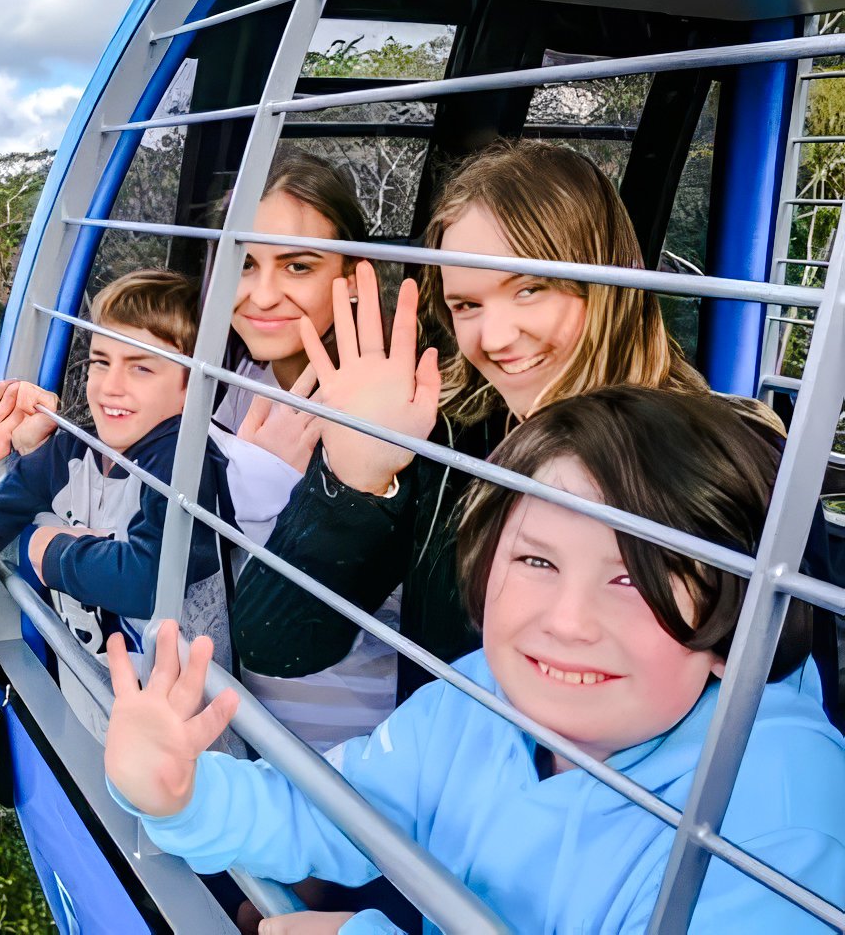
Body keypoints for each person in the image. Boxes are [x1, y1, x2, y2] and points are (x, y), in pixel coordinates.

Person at [107, 388, 845, 933]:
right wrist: (183, 792)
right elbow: (343, 811)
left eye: (631, 578)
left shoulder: (779, 816)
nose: (566, 622)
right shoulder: (480, 699)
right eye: (535, 560)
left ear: (734, 613)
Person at [231, 141, 728, 697]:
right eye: (467, 305)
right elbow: (274, 641)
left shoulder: (722, 456)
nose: (494, 339)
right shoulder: (448, 439)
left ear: (608, 278)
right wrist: (354, 482)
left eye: (530, 289)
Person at [0, 268, 233, 733]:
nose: (110, 386)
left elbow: (145, 581)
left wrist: (47, 550)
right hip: (95, 715)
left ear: (192, 385)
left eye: (141, 366)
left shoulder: (188, 461)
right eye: (101, 361)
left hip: (188, 749)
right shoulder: (69, 453)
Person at [212, 150, 401, 753]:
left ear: (352, 279)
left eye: (297, 266)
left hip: (345, 747)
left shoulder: (383, 406)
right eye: (244, 264)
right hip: (239, 723)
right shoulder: (240, 378)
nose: (261, 296)